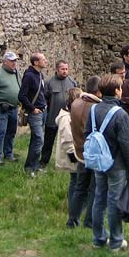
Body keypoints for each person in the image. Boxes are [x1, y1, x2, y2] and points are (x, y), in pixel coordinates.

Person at [86, 74, 129, 251]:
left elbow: (88, 134)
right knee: (114, 200)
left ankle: (98, 238)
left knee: (99, 198)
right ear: (117, 91)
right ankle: (116, 240)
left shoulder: (93, 110)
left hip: (99, 161)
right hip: (116, 164)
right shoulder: (120, 114)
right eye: (120, 88)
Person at [69, 75, 101, 229]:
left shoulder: (75, 103)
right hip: (93, 152)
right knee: (94, 188)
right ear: (98, 91)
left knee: (80, 187)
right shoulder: (96, 107)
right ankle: (89, 221)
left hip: (80, 151)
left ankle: (72, 220)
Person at [41, 60, 77, 169]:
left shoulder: (72, 83)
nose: (65, 71)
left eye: (66, 69)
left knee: (67, 141)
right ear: (57, 70)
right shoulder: (49, 83)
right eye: (62, 69)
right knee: (48, 142)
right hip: (52, 118)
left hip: (67, 119)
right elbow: (44, 99)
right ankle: (43, 161)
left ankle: (68, 162)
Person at [55, 87, 83, 227]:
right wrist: (73, 154)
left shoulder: (72, 115)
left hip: (74, 153)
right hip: (70, 155)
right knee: (75, 181)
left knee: (76, 181)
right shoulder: (65, 118)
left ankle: (75, 208)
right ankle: (73, 209)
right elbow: (66, 139)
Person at [19, 52, 48, 176]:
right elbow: (22, 96)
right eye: (43, 59)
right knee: (39, 140)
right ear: (36, 62)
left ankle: (33, 166)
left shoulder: (40, 75)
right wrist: (32, 108)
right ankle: (30, 168)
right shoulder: (30, 76)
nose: (45, 61)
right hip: (35, 113)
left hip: (43, 111)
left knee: (36, 140)